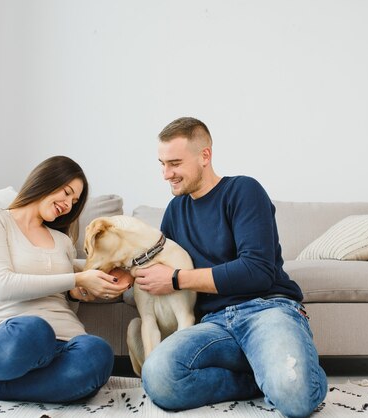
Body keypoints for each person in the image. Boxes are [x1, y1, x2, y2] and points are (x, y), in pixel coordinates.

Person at [134, 118, 328, 417]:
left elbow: (256, 271)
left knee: (295, 399)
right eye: (161, 164)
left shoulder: (243, 190)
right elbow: (159, 265)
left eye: (174, 163)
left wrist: (176, 279)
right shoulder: (175, 210)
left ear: (205, 156)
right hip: (213, 324)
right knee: (159, 377)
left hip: (266, 310)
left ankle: (291, 378)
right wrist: (123, 276)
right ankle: (260, 378)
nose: (166, 174)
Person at [0, 155, 132, 403]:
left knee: (98, 352)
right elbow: (1, 286)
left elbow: (66, 300)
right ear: (46, 180)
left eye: (74, 201)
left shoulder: (63, 240)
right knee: (35, 330)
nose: (68, 204)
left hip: (68, 344)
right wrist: (76, 280)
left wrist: (79, 290)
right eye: (66, 193)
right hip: (20, 339)